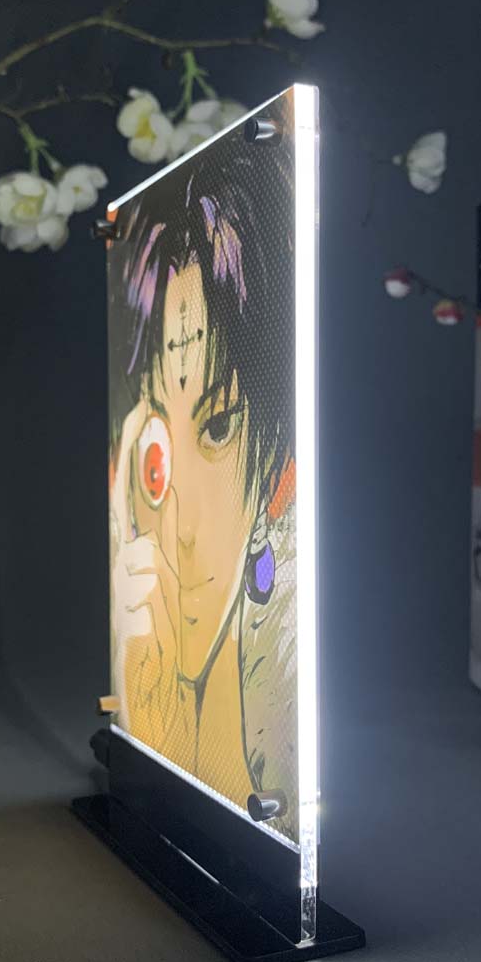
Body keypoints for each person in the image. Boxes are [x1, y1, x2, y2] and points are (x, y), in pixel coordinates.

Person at [107, 111, 299, 838]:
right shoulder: (143, 651)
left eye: (218, 428)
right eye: (160, 447)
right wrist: (152, 732)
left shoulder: (280, 676)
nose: (181, 527)